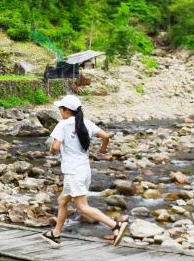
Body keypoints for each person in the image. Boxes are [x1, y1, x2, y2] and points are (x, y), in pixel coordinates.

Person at [39, 94, 128, 248]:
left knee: (82, 207)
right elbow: (106, 136)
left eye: (60, 108)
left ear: (66, 110)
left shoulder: (63, 124)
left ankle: (115, 226)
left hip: (73, 172)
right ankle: (56, 234)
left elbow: (55, 146)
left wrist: (52, 152)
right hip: (84, 170)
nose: (59, 111)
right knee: (62, 201)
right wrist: (102, 149)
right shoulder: (86, 123)